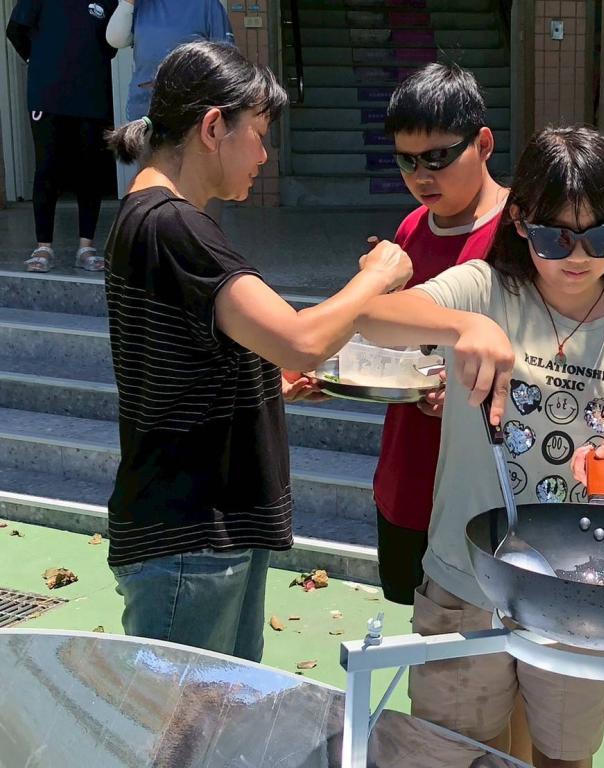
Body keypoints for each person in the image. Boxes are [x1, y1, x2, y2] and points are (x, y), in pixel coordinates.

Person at [356, 126, 604, 768]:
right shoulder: (483, 289)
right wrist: (464, 324)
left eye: (600, 237)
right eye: (553, 237)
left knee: (564, 757)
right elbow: (370, 317)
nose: (577, 256)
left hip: (580, 593)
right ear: (519, 221)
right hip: (466, 579)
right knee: (457, 754)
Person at [102, 40, 411, 661]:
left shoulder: (149, 216)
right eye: (259, 135)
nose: (265, 157)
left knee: (218, 710)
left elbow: (182, 365)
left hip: (195, 528)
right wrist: (377, 277)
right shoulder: (173, 224)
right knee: (189, 718)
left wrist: (267, 384)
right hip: (192, 533)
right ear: (213, 127)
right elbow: (300, 339)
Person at [374, 61, 508, 606]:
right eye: (406, 161)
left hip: (485, 482)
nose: (421, 176)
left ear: (484, 143)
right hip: (410, 468)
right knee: (418, 624)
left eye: (437, 158)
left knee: (487, 631)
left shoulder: (525, 232)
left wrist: (469, 389)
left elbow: (557, 346)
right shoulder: (410, 228)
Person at [6, 0, 117, 273]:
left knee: (90, 171)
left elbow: (111, 44)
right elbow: (15, 30)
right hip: (47, 95)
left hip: (92, 96)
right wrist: (39, 61)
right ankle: (43, 247)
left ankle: (86, 248)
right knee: (47, 168)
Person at [105, 0, 233, 122]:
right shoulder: (141, 4)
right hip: (144, 106)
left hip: (189, 107)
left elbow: (225, 60)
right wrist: (128, 3)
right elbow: (116, 39)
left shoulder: (207, 5)